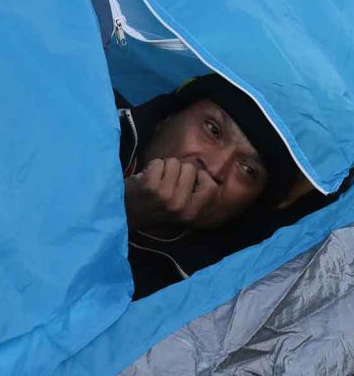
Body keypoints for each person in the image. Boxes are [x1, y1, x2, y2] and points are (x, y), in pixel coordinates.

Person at [116, 74, 298, 298]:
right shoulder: (84, 116)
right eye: (213, 130)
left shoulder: (206, 296)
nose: (215, 168)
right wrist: (119, 211)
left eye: (248, 170)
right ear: (169, 116)